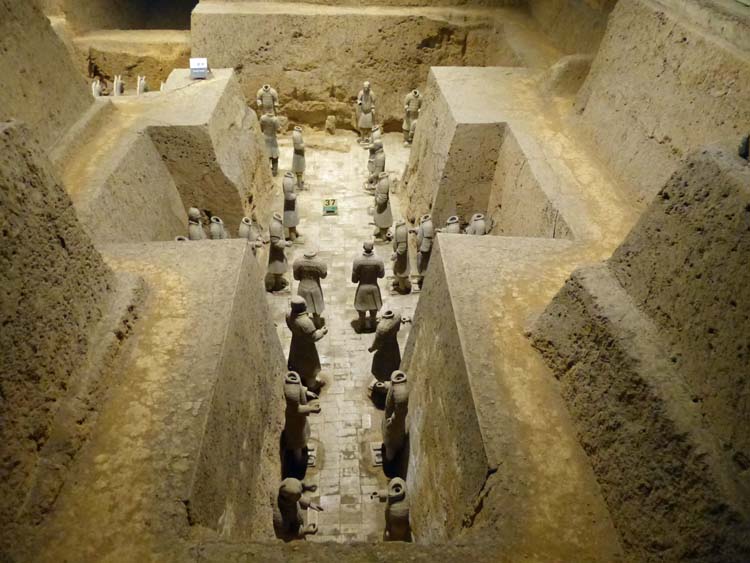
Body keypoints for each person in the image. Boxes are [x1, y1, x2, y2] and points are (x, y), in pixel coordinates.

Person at [286, 296, 328, 392]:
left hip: (296, 344)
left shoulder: (288, 315)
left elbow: (289, 326)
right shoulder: (306, 322)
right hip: (307, 348)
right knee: (310, 367)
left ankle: (300, 376)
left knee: (297, 362)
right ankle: (312, 385)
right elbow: (313, 337)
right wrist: (322, 331)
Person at [282, 371, 321, 470]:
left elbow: (299, 388)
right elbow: (296, 409)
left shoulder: (294, 380)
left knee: (303, 435)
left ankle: (304, 450)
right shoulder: (291, 391)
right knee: (297, 442)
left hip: (299, 420)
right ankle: (298, 462)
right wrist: (311, 409)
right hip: (295, 423)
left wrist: (306, 392)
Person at [352, 241, 385, 332]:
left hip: (362, 288)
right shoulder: (378, 260)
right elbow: (381, 275)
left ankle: (362, 326)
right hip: (374, 287)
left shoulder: (357, 261)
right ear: (372, 248)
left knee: (361, 311)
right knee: (373, 310)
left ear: (363, 247)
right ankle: (373, 325)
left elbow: (354, 280)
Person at [368, 309, 405, 383]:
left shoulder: (382, 328)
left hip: (383, 351)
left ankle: (382, 380)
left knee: (379, 363)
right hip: (394, 346)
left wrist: (371, 349)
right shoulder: (397, 317)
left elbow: (376, 344)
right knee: (394, 361)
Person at [293, 250, 328, 328]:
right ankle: (318, 325)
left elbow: (296, 277)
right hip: (315, 288)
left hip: (302, 288)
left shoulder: (298, 262)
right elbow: (323, 276)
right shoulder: (320, 263)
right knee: (316, 310)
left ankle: (305, 327)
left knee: (303, 311)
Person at [266, 212, 293, 292]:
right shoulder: (275, 226)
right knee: (278, 268)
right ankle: (277, 286)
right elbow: (275, 242)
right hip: (276, 254)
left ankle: (278, 281)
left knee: (280, 268)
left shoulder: (277, 223)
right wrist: (286, 243)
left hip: (279, 253)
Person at [390, 220, 411, 294]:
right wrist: (393, 236)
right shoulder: (401, 229)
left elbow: (402, 247)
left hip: (402, 256)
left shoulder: (401, 231)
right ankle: (399, 282)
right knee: (397, 269)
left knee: (401, 272)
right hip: (401, 256)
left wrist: (395, 255)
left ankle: (402, 288)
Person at [413, 214, 434, 288]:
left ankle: (424, 282)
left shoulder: (427, 225)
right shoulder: (426, 224)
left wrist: (422, 249)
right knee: (422, 266)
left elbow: (426, 239)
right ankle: (422, 278)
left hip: (424, 250)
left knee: (423, 266)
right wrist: (415, 230)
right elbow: (421, 231)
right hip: (423, 249)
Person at [373, 172, 393, 240]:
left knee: (383, 222)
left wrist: (377, 200)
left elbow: (382, 199)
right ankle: (382, 232)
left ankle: (384, 238)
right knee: (380, 221)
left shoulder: (384, 183)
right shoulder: (382, 181)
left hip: (383, 208)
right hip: (381, 208)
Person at [260, 111, 280, 176]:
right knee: (275, 156)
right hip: (273, 139)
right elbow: (278, 130)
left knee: (266, 155)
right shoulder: (275, 119)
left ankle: (266, 171)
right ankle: (274, 172)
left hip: (265, 138)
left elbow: (261, 129)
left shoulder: (262, 118)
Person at [282, 172, 300, 241]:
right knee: (291, 220)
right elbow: (288, 196)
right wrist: (295, 195)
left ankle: (294, 232)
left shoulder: (289, 179)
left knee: (293, 220)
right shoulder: (288, 181)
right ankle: (292, 237)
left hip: (291, 204)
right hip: (290, 205)